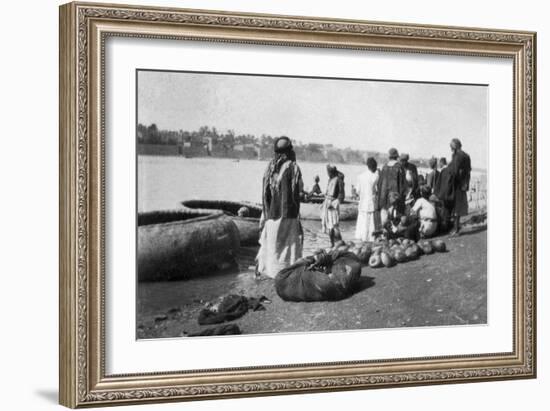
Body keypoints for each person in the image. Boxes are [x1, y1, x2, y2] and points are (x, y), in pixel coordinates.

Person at [256, 136, 304, 279]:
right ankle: (286, 273)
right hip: (288, 215)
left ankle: (271, 272)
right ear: (290, 151)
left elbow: (265, 193)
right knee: (288, 247)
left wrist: (267, 212)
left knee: (273, 247)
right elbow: (298, 190)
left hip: (271, 214)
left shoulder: (270, 167)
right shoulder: (293, 167)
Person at [447, 138, 472, 235]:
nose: (450, 149)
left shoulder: (457, 155)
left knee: (456, 207)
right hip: (463, 184)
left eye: (451, 147)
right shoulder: (466, 155)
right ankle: (456, 227)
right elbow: (468, 170)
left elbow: (454, 171)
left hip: (456, 184)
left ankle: (456, 229)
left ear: (454, 146)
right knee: (459, 207)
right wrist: (465, 183)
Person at [377, 148, 406, 227]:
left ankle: (385, 235)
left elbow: (379, 184)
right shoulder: (400, 167)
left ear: (389, 157)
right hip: (395, 199)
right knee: (395, 221)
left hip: (384, 200)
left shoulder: (384, 167)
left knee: (384, 221)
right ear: (397, 157)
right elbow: (403, 186)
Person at [355, 157, 380, 242]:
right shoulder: (375, 176)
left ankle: (361, 239)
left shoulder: (360, 176)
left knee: (362, 223)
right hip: (370, 203)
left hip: (362, 203)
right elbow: (377, 190)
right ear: (374, 167)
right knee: (369, 224)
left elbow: (357, 191)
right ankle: (369, 239)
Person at [321, 164, 345, 246]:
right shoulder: (330, 180)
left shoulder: (338, 180)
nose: (328, 173)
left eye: (329, 172)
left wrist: (334, 204)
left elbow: (341, 195)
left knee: (334, 226)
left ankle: (339, 243)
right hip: (327, 204)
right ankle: (332, 244)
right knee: (329, 227)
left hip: (333, 205)